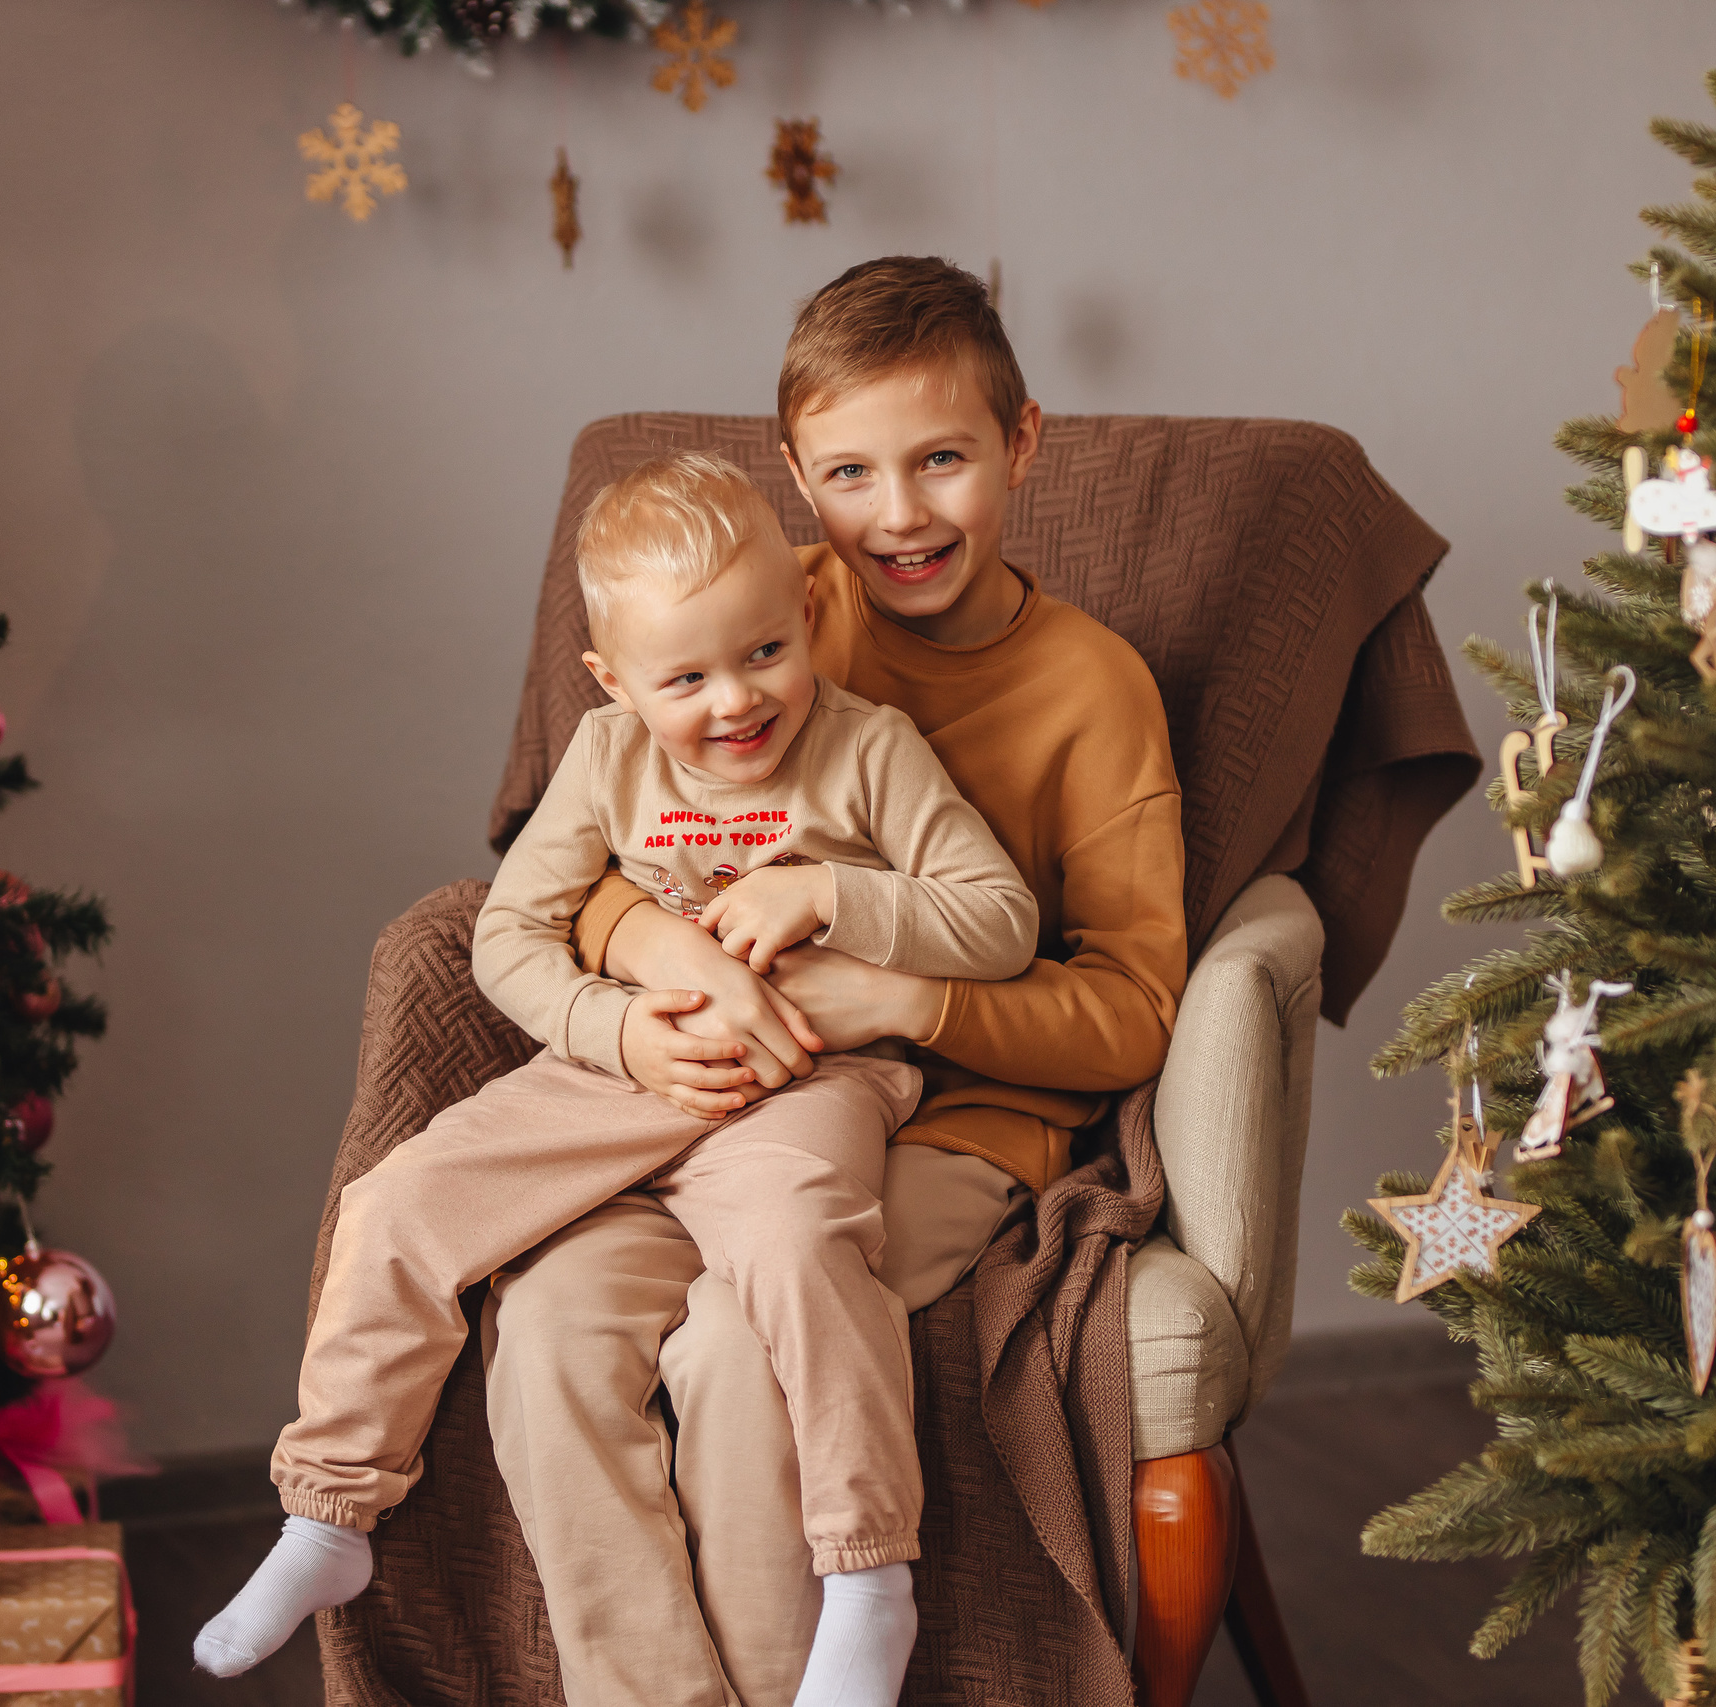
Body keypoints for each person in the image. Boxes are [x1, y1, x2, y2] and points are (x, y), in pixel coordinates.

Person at [195, 449, 1042, 1707]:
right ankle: (329, 1517)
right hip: (621, 1081)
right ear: (614, 681)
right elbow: (507, 938)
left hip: (808, 1079)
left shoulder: (871, 751)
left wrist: (830, 890)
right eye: (685, 678)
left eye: (762, 653)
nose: (737, 702)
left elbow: (1001, 922)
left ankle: (869, 1572)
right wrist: (618, 1032)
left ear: (804, 617)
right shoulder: (605, 760)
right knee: (397, 1203)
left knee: (802, 1243)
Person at [478, 255, 1190, 1707]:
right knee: (546, 1326)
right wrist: (655, 951)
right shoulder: (766, 617)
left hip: (954, 1114)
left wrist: (903, 999)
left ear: (1023, 442)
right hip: (722, 1102)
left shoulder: (1096, 690)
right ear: (799, 478)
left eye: (943, 459)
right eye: (855, 472)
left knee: (745, 1348)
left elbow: (1131, 1009)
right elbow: (594, 842)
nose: (902, 513)